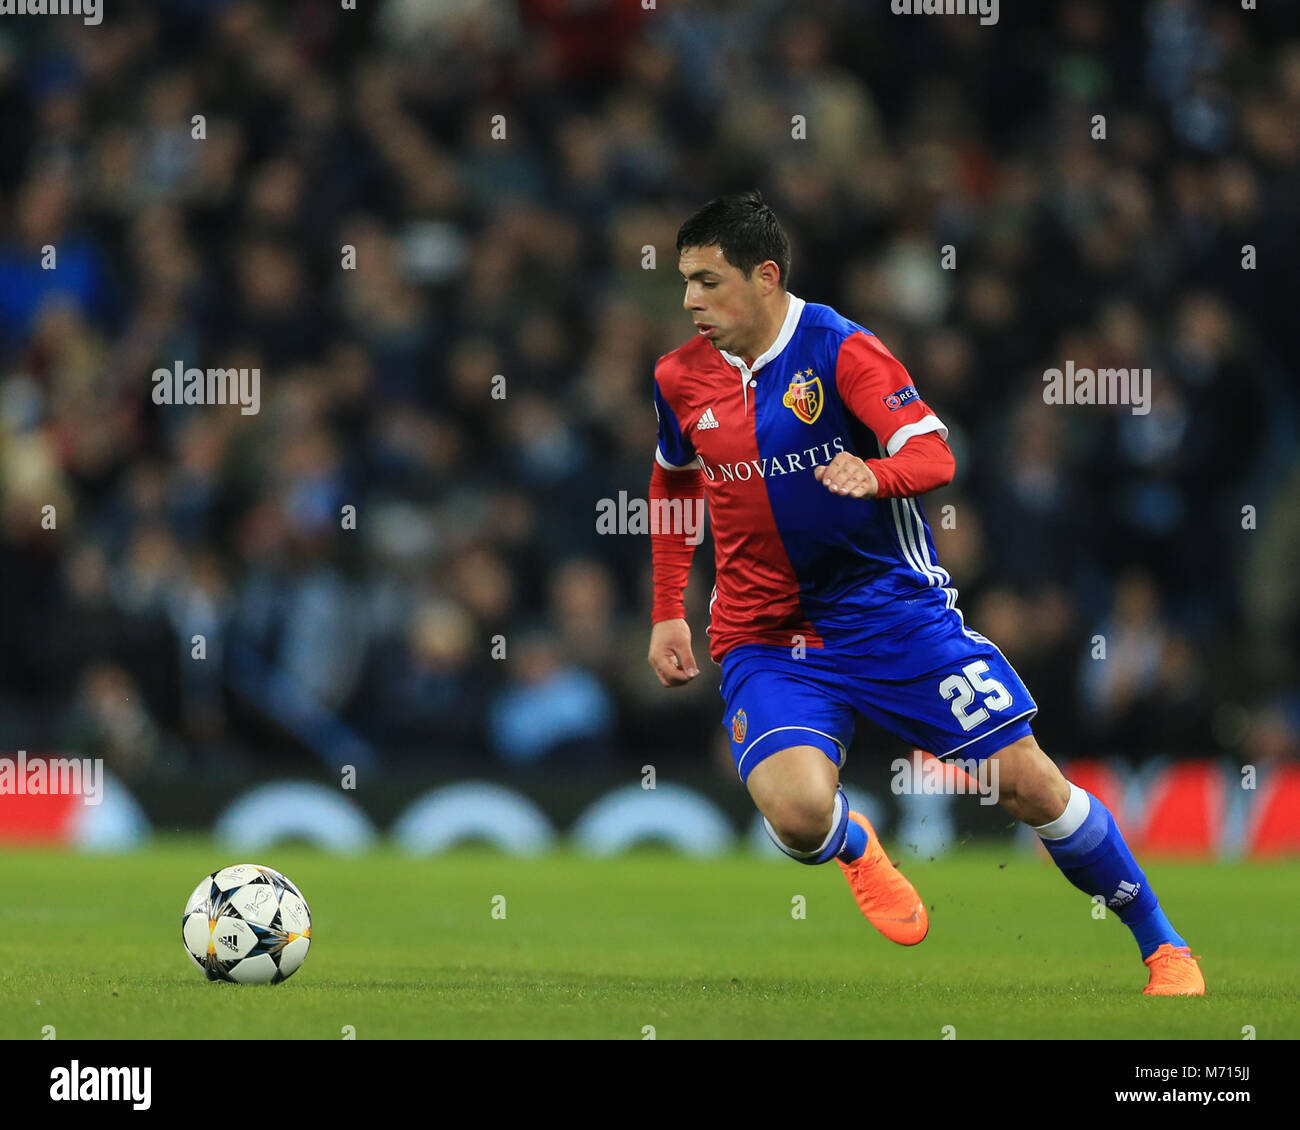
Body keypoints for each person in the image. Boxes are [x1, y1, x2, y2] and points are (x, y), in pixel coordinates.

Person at [646, 191, 1202, 995]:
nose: (690, 302)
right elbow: (672, 482)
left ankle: (1164, 946)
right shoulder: (678, 376)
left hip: (891, 616)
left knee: (1029, 784)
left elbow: (935, 454)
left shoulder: (842, 351)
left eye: (707, 281)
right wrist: (669, 609)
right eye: (685, 283)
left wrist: (874, 472)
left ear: (765, 277)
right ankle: (855, 847)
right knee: (798, 819)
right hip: (766, 636)